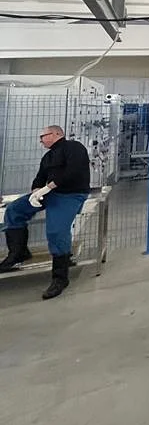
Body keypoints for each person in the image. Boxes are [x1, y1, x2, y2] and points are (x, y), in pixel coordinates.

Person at [0, 125, 90, 299]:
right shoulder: (48, 157)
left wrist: (49, 187)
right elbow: (40, 176)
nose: (41, 140)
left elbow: (73, 171)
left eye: (43, 136)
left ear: (56, 134)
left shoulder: (74, 147)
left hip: (70, 195)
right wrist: (36, 191)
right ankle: (18, 253)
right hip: (49, 193)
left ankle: (60, 277)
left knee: (56, 231)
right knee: (14, 210)